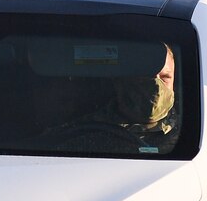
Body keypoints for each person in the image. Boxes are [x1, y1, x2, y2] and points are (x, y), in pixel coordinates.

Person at [46, 44, 179, 154]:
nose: (156, 85)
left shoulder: (190, 136)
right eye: (146, 76)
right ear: (121, 81)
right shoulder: (85, 132)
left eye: (165, 77)